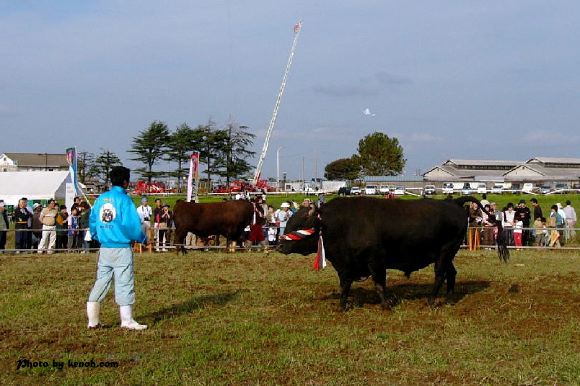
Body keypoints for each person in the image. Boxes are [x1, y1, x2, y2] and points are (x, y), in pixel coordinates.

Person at [86, 166, 147, 330]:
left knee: (101, 281)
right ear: (126, 182)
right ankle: (126, 320)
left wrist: (97, 236)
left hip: (105, 248)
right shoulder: (125, 200)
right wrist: (142, 238)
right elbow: (131, 224)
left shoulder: (101, 198)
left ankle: (93, 321)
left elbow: (92, 221)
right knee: (124, 281)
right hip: (121, 248)